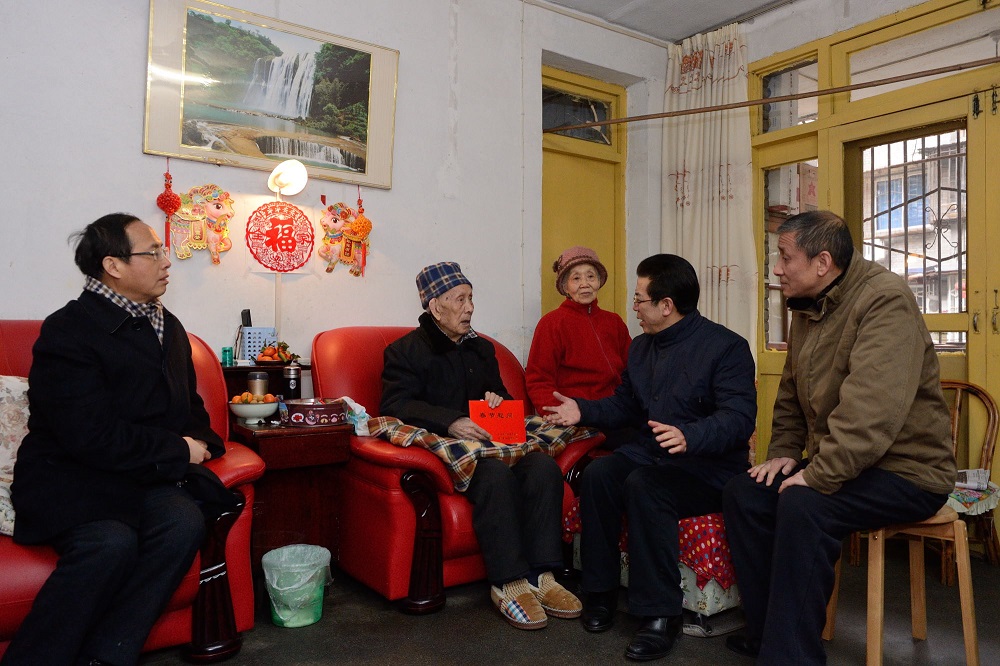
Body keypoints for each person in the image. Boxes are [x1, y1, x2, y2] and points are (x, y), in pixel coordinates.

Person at [721, 211, 956, 665]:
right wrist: (784, 453)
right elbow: (790, 392)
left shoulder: (884, 301)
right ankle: (770, 633)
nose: (777, 269)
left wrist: (818, 474)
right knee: (746, 492)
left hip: (908, 470)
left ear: (823, 262)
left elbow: (872, 411)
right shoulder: (808, 304)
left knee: (805, 504)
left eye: (785, 257)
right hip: (850, 462)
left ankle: (790, 657)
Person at [3, 213, 225, 666]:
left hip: (138, 476)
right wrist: (179, 450)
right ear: (114, 265)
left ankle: (105, 657)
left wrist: (202, 443)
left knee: (183, 521)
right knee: (110, 543)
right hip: (69, 476)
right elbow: (88, 435)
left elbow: (190, 410)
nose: (167, 261)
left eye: (163, 251)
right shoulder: (68, 330)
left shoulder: (168, 326)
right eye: (153, 252)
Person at [544, 254, 757, 661]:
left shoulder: (726, 347)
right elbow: (625, 405)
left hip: (706, 468)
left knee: (646, 486)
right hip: (651, 453)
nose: (634, 308)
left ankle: (661, 614)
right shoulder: (641, 348)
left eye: (640, 299)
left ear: (666, 305)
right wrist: (582, 410)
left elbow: (738, 418)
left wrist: (690, 436)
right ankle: (600, 592)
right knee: (600, 474)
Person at [380, 261, 582, 631]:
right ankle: (508, 583)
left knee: (542, 466)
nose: (470, 307)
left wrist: (496, 400)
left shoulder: (481, 349)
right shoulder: (404, 351)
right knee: (494, 475)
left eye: (471, 298)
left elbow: (502, 397)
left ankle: (541, 575)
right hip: (451, 450)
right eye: (460, 299)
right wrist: (451, 421)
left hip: (491, 442)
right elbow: (396, 405)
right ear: (435, 306)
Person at [525, 246, 632, 448]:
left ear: (599, 281)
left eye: (591, 276)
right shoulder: (551, 324)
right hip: (578, 416)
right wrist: (558, 413)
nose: (585, 284)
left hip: (615, 411)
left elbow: (632, 370)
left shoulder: (614, 322)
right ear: (565, 287)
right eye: (576, 278)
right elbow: (538, 380)